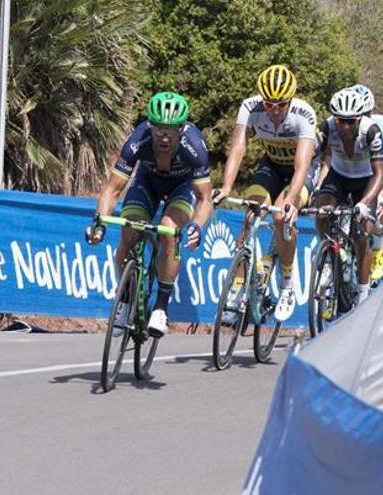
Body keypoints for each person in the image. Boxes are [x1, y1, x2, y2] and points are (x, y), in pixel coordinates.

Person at [86, 92, 213, 339]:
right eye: (159, 130)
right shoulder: (138, 140)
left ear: (181, 128)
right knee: (130, 229)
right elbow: (112, 190)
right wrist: (99, 223)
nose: (164, 136)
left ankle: (161, 309)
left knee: (168, 230)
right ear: (151, 126)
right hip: (147, 183)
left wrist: (197, 226)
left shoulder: (194, 146)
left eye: (171, 131)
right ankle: (124, 300)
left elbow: (205, 199)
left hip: (181, 188)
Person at [212, 65, 318, 322]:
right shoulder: (250, 107)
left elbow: (302, 164)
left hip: (300, 172)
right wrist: (226, 186)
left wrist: (292, 200)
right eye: (269, 103)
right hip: (271, 165)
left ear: (290, 100)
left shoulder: (303, 114)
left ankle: (287, 283)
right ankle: (237, 288)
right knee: (250, 215)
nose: (273, 110)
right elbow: (238, 148)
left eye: (280, 104)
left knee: (282, 216)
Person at [313, 88, 383, 305]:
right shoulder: (327, 127)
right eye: (340, 120)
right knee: (321, 213)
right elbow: (309, 156)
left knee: (361, 235)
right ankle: (328, 260)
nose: (344, 126)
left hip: (366, 182)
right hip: (339, 177)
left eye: (350, 121)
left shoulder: (371, 131)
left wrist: (364, 203)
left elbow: (380, 173)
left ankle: (363, 296)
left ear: (359, 118)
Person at [348, 84, 383, 282]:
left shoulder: (382, 128)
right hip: (352, 168)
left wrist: (380, 197)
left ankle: (379, 245)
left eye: (364, 115)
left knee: (374, 206)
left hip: (376, 169)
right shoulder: (341, 124)